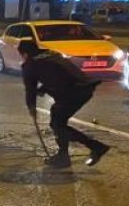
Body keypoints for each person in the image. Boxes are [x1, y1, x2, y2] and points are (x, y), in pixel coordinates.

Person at [19, 40, 110, 170]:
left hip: (73, 93)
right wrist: (44, 89)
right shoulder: (51, 54)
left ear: (25, 54)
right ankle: (65, 156)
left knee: (57, 124)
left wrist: (31, 108)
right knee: (58, 123)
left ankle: (94, 147)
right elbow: (58, 73)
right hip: (85, 88)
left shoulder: (30, 65)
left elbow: (30, 90)